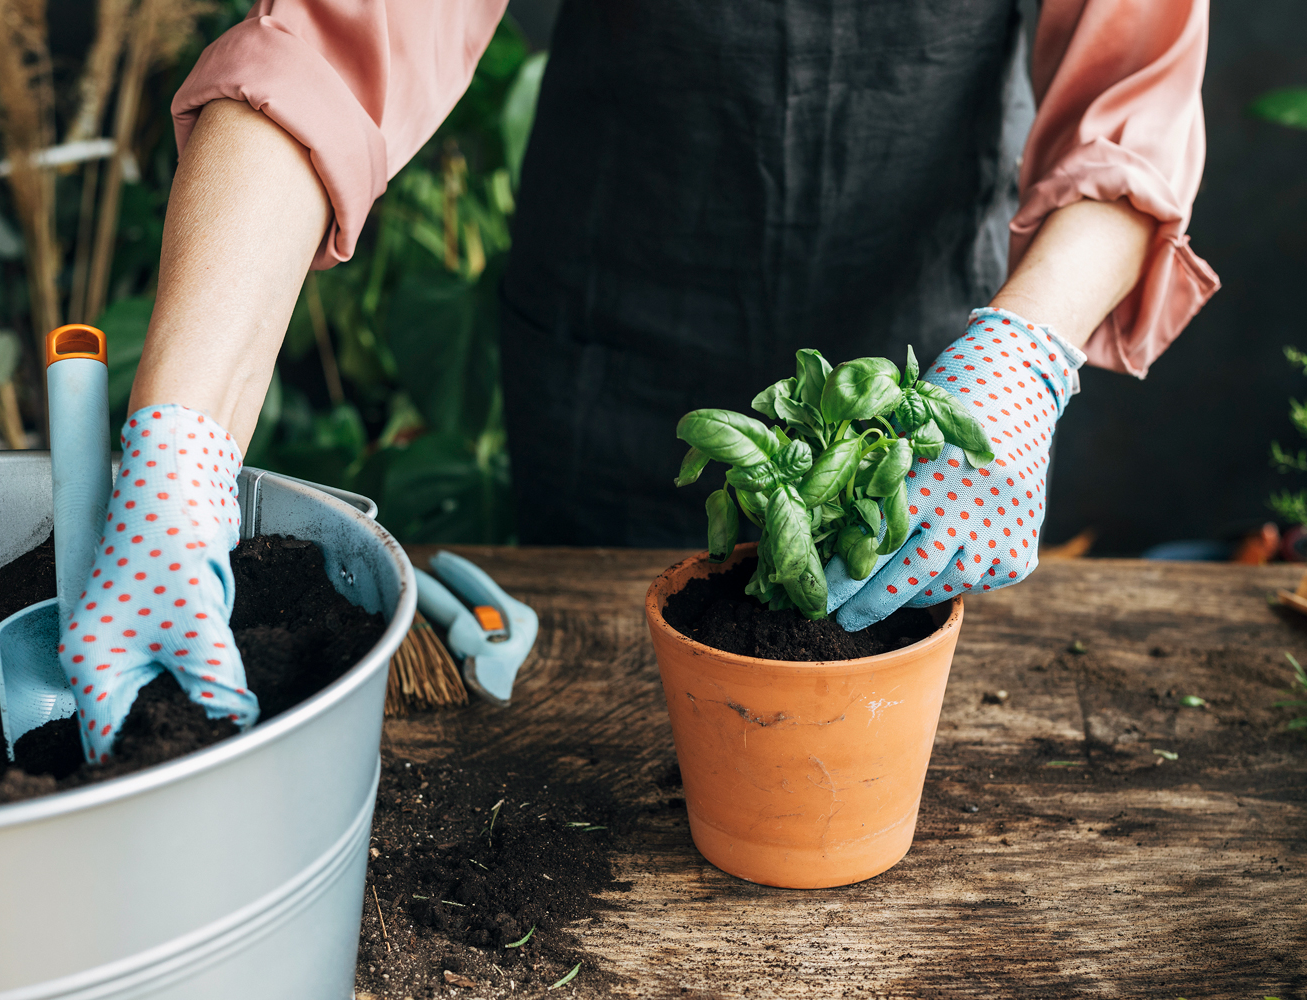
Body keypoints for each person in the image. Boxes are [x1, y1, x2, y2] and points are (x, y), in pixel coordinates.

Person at [60, 0, 1219, 761]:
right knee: (588, 741)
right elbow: (329, 45)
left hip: (925, 351)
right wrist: (178, 440)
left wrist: (1025, 356)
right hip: (617, 323)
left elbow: (1136, 95)